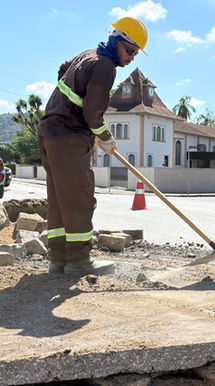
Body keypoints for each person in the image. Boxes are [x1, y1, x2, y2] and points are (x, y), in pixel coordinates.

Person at [38, 17, 148, 275]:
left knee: (59, 199)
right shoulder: (105, 66)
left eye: (136, 54)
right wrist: (106, 138)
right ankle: (78, 261)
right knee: (79, 199)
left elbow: (62, 68)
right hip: (69, 137)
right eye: (130, 50)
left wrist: (71, 99)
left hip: (48, 133)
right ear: (117, 41)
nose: (132, 58)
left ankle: (59, 260)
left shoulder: (86, 55)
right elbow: (92, 115)